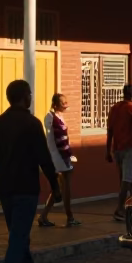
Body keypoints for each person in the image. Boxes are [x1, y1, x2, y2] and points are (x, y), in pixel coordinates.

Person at [0, 80, 59, 263]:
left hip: (4, 189)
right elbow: (44, 159)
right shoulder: (32, 124)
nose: (31, 98)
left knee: (20, 238)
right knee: (17, 241)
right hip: (26, 189)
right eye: (30, 94)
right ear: (25, 97)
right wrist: (55, 185)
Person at [106, 84, 132, 222]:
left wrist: (108, 150)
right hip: (130, 148)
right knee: (126, 179)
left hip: (117, 148)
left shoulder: (114, 108)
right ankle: (119, 209)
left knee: (127, 178)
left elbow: (110, 130)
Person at [38, 93, 78, 228]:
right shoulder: (52, 118)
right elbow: (59, 139)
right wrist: (68, 155)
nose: (66, 105)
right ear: (55, 105)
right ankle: (70, 217)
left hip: (58, 155)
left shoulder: (57, 117)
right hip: (59, 156)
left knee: (57, 187)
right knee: (66, 187)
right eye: (63, 103)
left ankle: (44, 216)